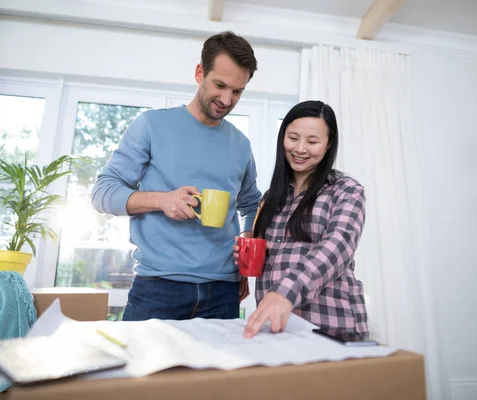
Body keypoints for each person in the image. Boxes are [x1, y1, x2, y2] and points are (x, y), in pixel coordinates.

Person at [91, 31, 262, 321]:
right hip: (158, 288)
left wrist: (245, 247)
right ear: (199, 73)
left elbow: (251, 205)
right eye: (220, 85)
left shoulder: (241, 145)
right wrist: (162, 200)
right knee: (142, 369)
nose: (227, 99)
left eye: (237, 91)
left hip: (224, 291)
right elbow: (102, 193)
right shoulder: (151, 125)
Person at [233, 100, 368, 338]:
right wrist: (247, 258)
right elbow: (274, 257)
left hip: (331, 324)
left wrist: (285, 292)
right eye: (293, 138)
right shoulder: (271, 197)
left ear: (328, 145)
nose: (300, 148)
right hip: (278, 328)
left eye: (312, 141)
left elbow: (336, 248)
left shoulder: (346, 190)